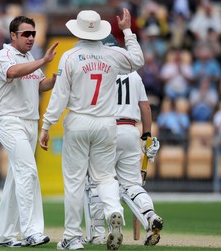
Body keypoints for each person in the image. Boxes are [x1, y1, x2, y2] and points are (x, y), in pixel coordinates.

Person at [39, 8, 144, 250]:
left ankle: (72, 237)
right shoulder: (112, 55)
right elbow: (138, 61)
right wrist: (127, 30)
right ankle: (113, 212)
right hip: (107, 122)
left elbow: (60, 95)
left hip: (78, 121)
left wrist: (46, 125)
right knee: (105, 177)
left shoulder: (69, 57)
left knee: (75, 181)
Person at [83, 34, 163, 246]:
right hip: (130, 131)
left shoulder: (100, 70)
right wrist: (147, 136)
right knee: (133, 185)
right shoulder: (134, 74)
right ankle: (150, 216)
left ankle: (99, 232)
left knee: (97, 182)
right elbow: (145, 107)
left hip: (106, 129)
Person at [0, 15, 58, 248]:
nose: (30, 38)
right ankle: (31, 231)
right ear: (13, 36)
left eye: (33, 34)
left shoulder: (29, 57)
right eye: (26, 34)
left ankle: (2, 236)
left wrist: (56, 80)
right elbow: (13, 73)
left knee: (15, 178)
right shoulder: (4, 55)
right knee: (28, 172)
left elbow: (39, 85)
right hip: (10, 121)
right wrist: (43, 60)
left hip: (30, 122)